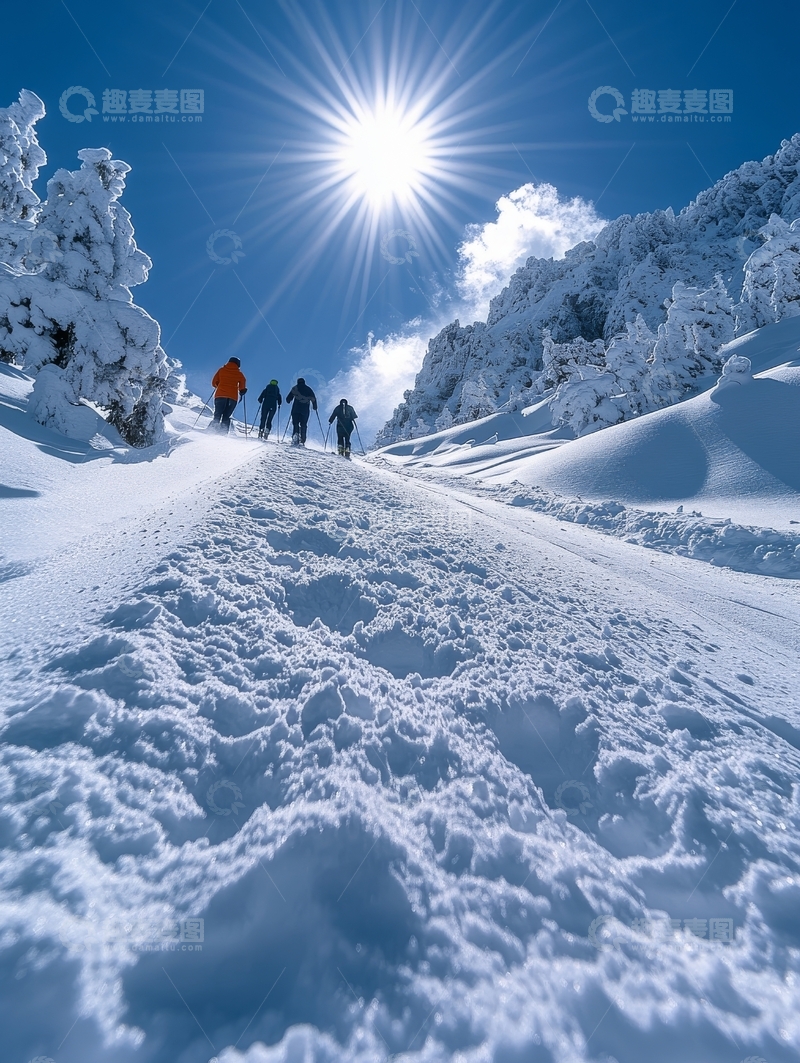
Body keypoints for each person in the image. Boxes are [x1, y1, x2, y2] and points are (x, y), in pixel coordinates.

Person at [211, 357, 246, 433]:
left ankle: (212, 430)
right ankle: (223, 433)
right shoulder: (239, 374)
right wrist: (242, 391)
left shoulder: (221, 370)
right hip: (232, 398)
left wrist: (219, 385)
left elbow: (214, 382)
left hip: (220, 395)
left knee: (218, 414)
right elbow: (242, 386)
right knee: (226, 416)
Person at [285, 377, 317, 446]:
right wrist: (315, 406)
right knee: (303, 424)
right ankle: (303, 439)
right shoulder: (309, 389)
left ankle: (295, 435)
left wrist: (288, 400)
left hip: (296, 409)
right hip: (305, 410)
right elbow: (313, 398)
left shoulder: (295, 388)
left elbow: (289, 398)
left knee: (295, 423)